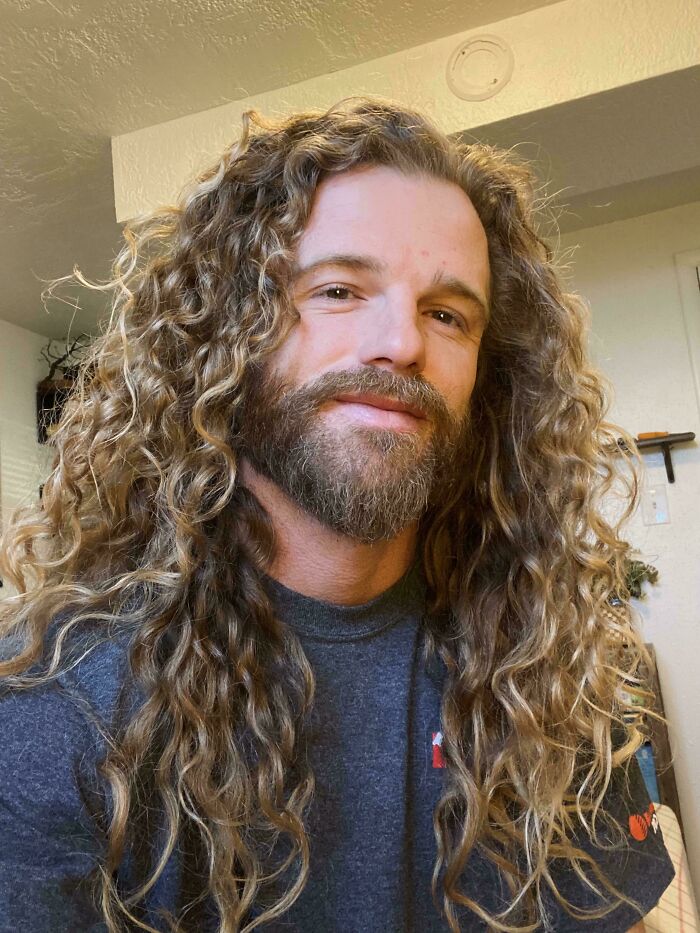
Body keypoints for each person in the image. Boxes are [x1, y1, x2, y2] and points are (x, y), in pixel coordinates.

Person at [0, 96, 675, 933]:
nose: (400, 342)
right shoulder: (58, 700)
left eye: (447, 313)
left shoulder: (542, 669)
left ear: (488, 375)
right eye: (340, 289)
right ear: (228, 335)